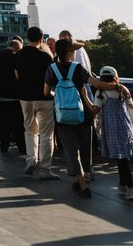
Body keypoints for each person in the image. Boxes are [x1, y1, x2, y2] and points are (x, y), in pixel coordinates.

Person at [46, 37, 97, 197]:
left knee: (71, 150)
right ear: (69, 53)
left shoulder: (52, 68)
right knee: (84, 148)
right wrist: (116, 86)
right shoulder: (78, 68)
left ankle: (77, 180)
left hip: (63, 114)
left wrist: (58, 96)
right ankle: (84, 184)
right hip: (83, 114)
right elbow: (96, 83)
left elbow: (46, 92)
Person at [15, 26, 58, 179]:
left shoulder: (19, 55)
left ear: (27, 38)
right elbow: (51, 77)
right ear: (41, 39)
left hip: (25, 97)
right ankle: (45, 168)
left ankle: (31, 159)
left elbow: (17, 75)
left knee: (30, 130)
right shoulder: (46, 56)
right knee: (46, 134)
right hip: (43, 97)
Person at [93, 65, 133, 202]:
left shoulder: (101, 92)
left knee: (121, 158)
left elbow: (95, 109)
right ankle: (123, 185)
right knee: (123, 157)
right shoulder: (122, 89)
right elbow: (131, 106)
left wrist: (84, 96)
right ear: (116, 78)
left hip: (111, 126)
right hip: (124, 125)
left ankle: (130, 187)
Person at [0, 36, 25, 156]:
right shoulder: (17, 57)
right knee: (18, 123)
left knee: (3, 122)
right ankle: (21, 147)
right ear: (17, 48)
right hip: (15, 96)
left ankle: (4, 146)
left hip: (0, 96)